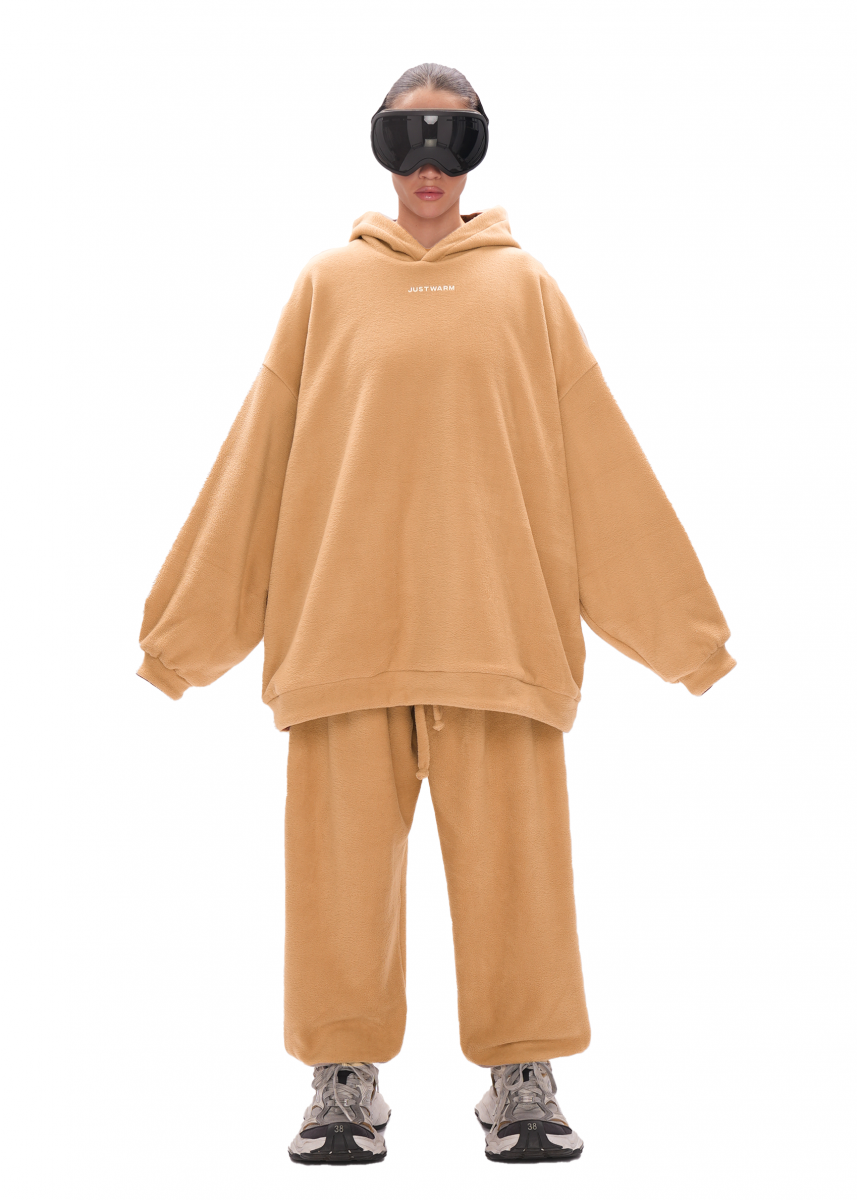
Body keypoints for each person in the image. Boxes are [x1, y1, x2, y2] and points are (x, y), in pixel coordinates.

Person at [135, 62, 737, 1166]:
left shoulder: (526, 290)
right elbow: (255, 461)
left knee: (519, 878)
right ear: (379, 148)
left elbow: (599, 465)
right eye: (405, 139)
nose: (426, 165)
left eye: (450, 140)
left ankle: (521, 1076)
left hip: (499, 637)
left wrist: (685, 637)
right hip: (341, 638)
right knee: (338, 884)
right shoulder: (325, 287)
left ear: (475, 153)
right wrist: (183, 637)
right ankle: (342, 1079)